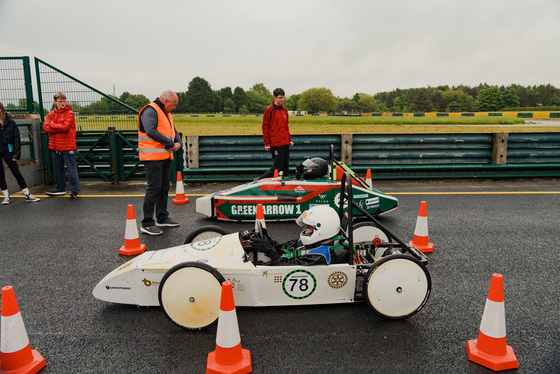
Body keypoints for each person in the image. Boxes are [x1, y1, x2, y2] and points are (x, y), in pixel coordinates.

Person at [138, 90, 182, 236]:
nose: (174, 108)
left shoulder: (166, 113)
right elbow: (151, 130)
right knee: (154, 188)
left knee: (164, 187)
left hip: (164, 156)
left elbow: (173, 130)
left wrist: (178, 142)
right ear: (166, 101)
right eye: (174, 105)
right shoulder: (150, 111)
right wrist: (170, 142)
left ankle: (162, 217)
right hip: (152, 157)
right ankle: (147, 223)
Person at [250, 205, 342, 266]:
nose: (306, 231)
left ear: (322, 230)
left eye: (309, 228)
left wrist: (269, 250)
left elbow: (285, 268)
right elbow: (286, 247)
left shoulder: (319, 256)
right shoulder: (311, 242)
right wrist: (269, 241)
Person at [0, 102, 40, 204]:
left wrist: (15, 154)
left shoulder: (10, 122)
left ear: (1, 110)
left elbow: (16, 139)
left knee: (16, 172)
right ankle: (6, 197)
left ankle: (27, 194)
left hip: (7, 150)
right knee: (0, 175)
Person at [43, 93, 80, 198]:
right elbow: (45, 128)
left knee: (71, 169)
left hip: (68, 146)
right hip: (55, 147)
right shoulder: (50, 114)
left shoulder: (70, 113)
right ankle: (59, 188)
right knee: (58, 169)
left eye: (64, 101)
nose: (63, 103)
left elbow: (66, 128)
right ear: (55, 102)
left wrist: (52, 125)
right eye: (60, 101)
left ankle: (74, 190)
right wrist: (57, 127)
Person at [258, 88, 293, 179]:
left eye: (283, 98)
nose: (282, 100)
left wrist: (289, 139)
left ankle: (283, 186)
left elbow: (286, 126)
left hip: (285, 142)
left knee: (285, 168)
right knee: (278, 167)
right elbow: (265, 127)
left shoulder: (284, 110)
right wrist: (267, 143)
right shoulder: (269, 110)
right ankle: (259, 181)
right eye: (280, 98)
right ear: (275, 97)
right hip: (275, 143)